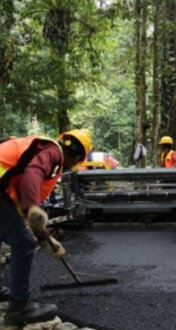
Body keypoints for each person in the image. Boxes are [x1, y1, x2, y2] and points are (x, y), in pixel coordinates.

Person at [0, 129, 92, 327]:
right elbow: (34, 172)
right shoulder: (52, 153)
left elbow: (22, 209)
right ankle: (19, 308)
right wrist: (33, 206)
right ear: (76, 158)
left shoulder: (37, 147)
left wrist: (46, 237)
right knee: (23, 244)